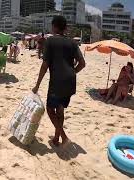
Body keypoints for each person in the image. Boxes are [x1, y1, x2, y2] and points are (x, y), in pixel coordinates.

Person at [32, 16, 86, 146]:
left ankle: (64, 137)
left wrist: (37, 85)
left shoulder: (50, 41)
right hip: (70, 82)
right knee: (60, 109)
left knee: (50, 110)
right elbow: (82, 63)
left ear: (54, 27)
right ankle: (56, 139)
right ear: (65, 28)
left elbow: (45, 65)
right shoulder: (73, 43)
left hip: (57, 82)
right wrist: (72, 72)